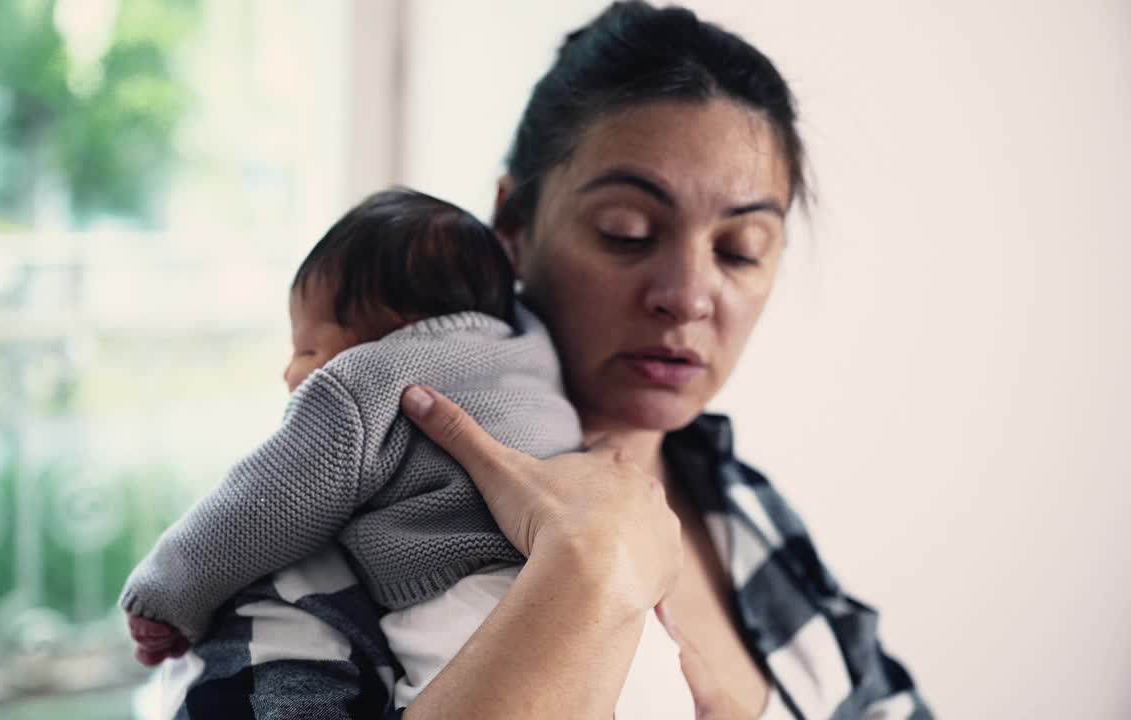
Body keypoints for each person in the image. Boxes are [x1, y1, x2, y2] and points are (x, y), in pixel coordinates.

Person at [151, 2, 932, 718]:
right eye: (627, 230)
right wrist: (587, 576)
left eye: (741, 249)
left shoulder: (746, 512)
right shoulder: (309, 575)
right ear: (512, 227)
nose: (688, 296)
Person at [120, 188, 582, 704]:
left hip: (467, 603)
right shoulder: (534, 353)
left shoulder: (367, 380)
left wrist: (164, 592)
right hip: (592, 602)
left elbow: (261, 502)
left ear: (393, 329)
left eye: (307, 348)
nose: (291, 372)